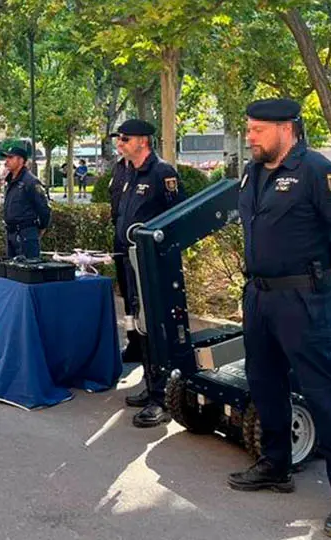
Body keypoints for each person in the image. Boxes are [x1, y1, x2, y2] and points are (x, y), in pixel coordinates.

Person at [228, 98, 331, 539]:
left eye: (257, 130)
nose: (249, 136)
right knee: (265, 383)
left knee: (324, 395)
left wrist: (319, 270)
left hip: (304, 299)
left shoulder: (316, 172)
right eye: (248, 129)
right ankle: (276, 464)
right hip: (260, 297)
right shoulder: (253, 171)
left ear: (286, 129)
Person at [111, 118, 186, 429]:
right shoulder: (124, 170)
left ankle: (163, 399)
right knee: (140, 326)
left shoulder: (162, 173)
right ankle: (151, 383)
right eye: (118, 138)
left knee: (157, 327)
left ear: (143, 141)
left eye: (125, 138)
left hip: (154, 264)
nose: (120, 143)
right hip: (129, 259)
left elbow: (179, 216)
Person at [1, 146, 50, 258]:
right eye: (6, 158)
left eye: (10, 158)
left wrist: (42, 227)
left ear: (21, 161)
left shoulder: (30, 181)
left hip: (26, 233)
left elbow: (43, 207)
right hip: (11, 232)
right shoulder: (10, 180)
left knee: (28, 270)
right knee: (13, 271)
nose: (6, 161)